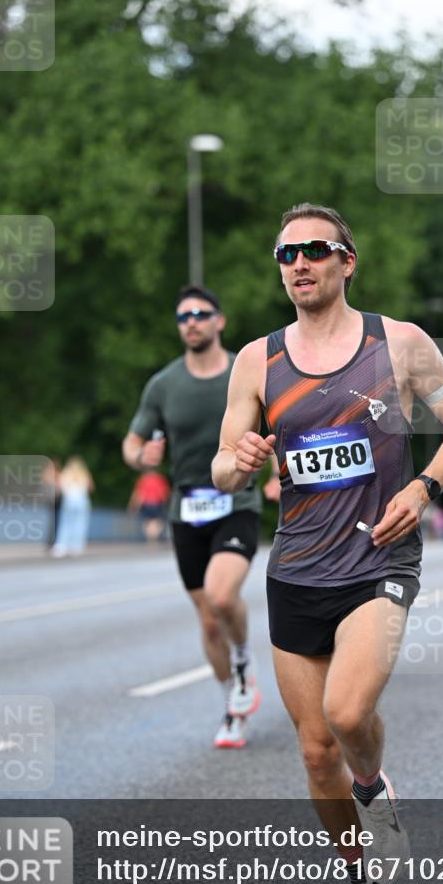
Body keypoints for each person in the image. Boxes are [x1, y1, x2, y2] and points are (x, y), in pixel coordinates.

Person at [211, 203, 443, 884]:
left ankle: (373, 787)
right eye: (285, 254)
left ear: (346, 261)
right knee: (312, 749)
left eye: (314, 250)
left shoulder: (396, 343)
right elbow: (223, 453)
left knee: (347, 709)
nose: (297, 263)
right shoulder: (256, 359)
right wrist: (235, 462)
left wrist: (421, 487)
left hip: (379, 555)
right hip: (297, 565)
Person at [123, 284, 263, 749]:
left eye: (202, 313)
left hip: (237, 501)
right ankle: (232, 705)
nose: (193, 322)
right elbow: (131, 445)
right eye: (184, 316)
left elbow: (279, 424)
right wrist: (144, 455)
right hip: (187, 509)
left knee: (224, 598)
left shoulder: (245, 371)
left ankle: (243, 659)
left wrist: (280, 471)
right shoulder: (164, 384)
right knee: (206, 621)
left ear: (219, 320)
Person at [51, 456, 94, 557]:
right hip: (82, 500)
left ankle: (61, 546)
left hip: (69, 500)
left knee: (65, 523)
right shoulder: (84, 474)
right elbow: (90, 487)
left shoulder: (66, 473)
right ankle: (77, 546)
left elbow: (59, 487)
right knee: (80, 524)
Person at [128, 469, 171, 543]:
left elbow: (139, 494)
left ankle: (150, 537)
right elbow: (163, 492)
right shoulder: (160, 479)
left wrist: (134, 505)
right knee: (157, 521)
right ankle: (154, 537)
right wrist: (166, 502)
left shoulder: (143, 479)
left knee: (147, 521)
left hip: (146, 504)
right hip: (156, 503)